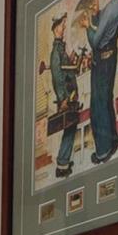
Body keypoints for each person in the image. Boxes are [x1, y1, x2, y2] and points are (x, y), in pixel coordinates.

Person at [79, 0, 118, 164]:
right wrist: (97, 14)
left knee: (98, 106)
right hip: (110, 56)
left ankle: (103, 152)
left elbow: (97, 41)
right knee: (106, 100)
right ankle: (113, 139)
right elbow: (106, 28)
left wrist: (87, 26)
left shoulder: (115, 5)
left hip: (103, 59)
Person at [47, 12, 81, 178]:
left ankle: (64, 160)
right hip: (67, 97)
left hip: (71, 95)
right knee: (69, 127)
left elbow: (66, 70)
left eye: (64, 25)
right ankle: (62, 165)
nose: (63, 28)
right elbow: (57, 77)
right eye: (61, 26)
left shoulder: (61, 49)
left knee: (71, 127)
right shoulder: (56, 52)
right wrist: (64, 99)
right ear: (55, 29)